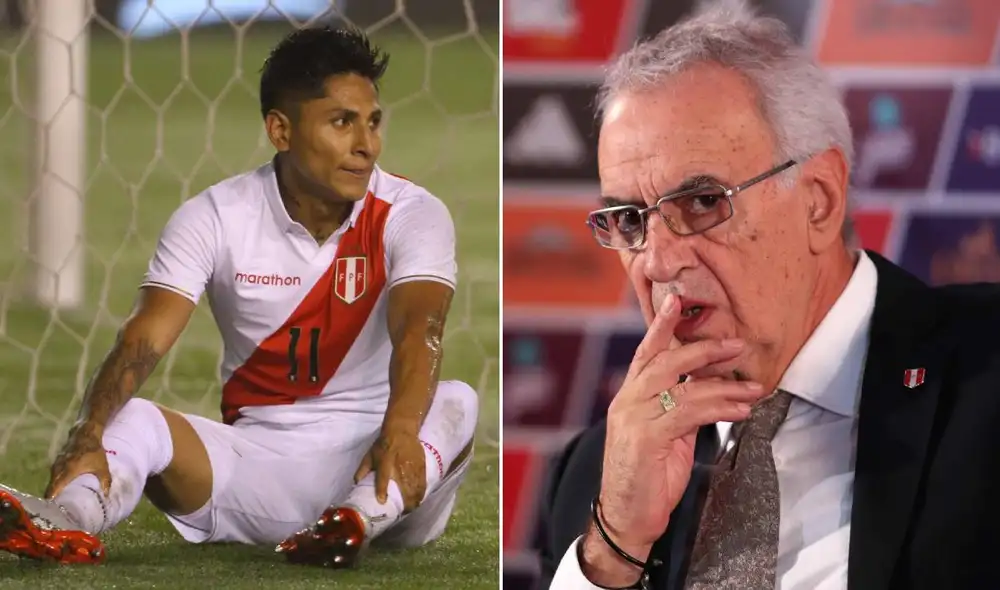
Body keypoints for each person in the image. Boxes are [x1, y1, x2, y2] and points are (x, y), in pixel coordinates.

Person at [535, 2, 1000, 589]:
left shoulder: (986, 370)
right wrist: (612, 551)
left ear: (820, 200)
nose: (656, 260)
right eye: (629, 218)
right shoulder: (596, 476)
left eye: (702, 203)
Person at [0, 26, 478, 568]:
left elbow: (421, 330)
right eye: (342, 122)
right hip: (258, 468)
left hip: (387, 470)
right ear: (281, 130)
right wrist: (89, 430)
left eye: (372, 121)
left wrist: (397, 433)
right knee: (129, 418)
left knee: (457, 400)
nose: (366, 144)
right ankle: (67, 521)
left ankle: (354, 522)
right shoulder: (215, 217)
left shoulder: (413, 213)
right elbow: (144, 336)